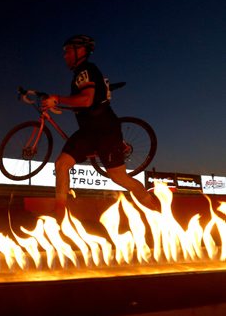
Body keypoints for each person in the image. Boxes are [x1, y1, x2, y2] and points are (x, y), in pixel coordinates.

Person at [40, 35, 160, 217]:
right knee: (62, 164)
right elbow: (83, 102)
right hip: (87, 132)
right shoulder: (80, 74)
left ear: (80, 50)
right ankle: (60, 215)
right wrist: (60, 103)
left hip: (105, 130)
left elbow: (87, 99)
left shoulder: (86, 69)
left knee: (118, 177)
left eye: (67, 51)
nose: (64, 56)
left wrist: (57, 98)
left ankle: (156, 210)